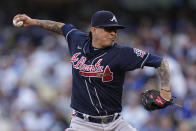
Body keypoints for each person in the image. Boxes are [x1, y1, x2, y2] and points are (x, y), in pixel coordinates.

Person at [13, 10, 172, 131]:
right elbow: (61, 27)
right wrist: (34, 22)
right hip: (82, 124)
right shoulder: (77, 39)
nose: (113, 34)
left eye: (115, 30)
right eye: (108, 29)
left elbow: (161, 62)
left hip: (115, 124)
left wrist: (165, 89)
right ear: (93, 30)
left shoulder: (123, 53)